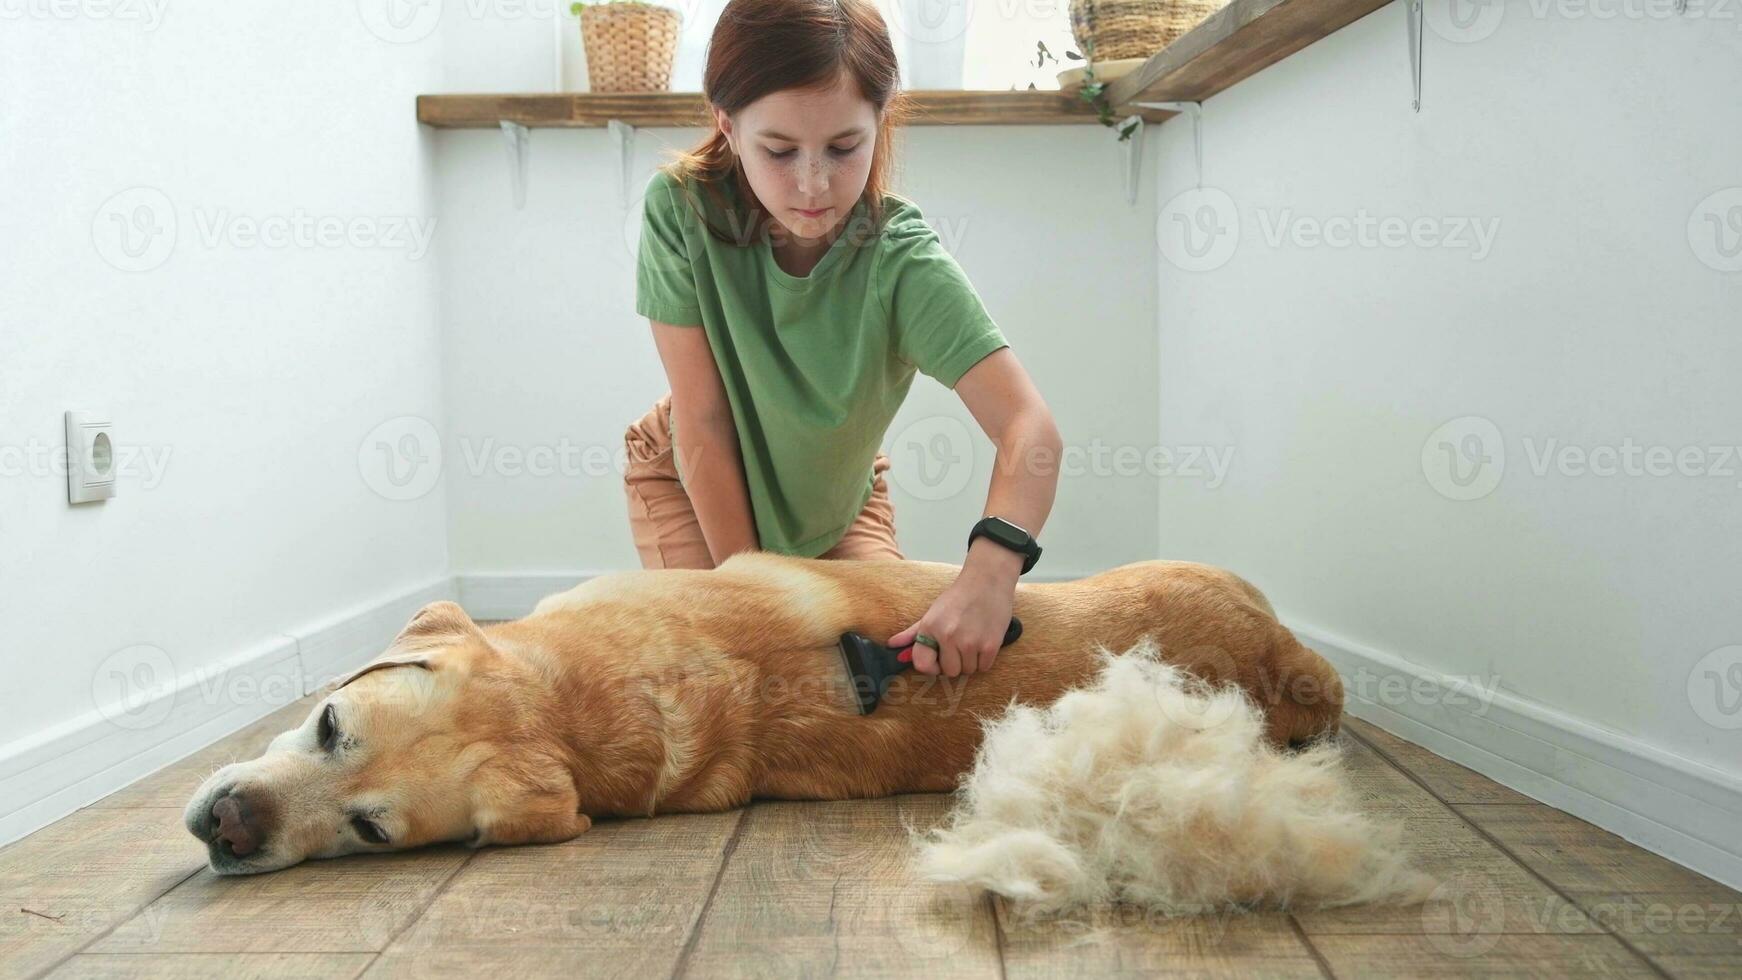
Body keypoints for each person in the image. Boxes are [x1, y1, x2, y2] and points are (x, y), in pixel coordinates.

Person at [623, 0, 1063, 679]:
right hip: (687, 473)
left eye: (843, 147)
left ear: (881, 121)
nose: (813, 185)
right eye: (778, 151)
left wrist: (990, 570)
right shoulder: (678, 211)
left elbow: (1030, 428)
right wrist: (758, 598)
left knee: (914, 685)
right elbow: (704, 422)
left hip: (839, 504)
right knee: (736, 685)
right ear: (726, 125)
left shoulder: (900, 262)